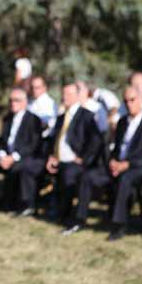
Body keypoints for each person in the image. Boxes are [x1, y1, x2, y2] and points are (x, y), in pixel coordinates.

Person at [63, 87, 142, 240]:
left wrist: (128, 164)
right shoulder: (122, 122)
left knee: (125, 179)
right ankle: (79, 219)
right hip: (117, 166)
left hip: (140, 168)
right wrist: (112, 161)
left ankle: (118, 225)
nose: (129, 104)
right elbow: (116, 147)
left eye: (132, 100)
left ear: (140, 100)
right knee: (88, 176)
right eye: (126, 101)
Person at [45, 82, 103, 226]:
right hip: (59, 159)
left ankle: (67, 214)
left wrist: (83, 158)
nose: (64, 97)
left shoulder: (87, 116)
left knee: (68, 173)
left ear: (78, 96)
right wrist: (51, 156)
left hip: (75, 162)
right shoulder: (61, 117)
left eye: (69, 94)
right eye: (63, 94)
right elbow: (54, 140)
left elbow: (96, 141)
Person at [0, 88, 44, 215]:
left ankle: (24, 204)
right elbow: (3, 142)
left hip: (23, 158)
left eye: (17, 100)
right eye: (10, 100)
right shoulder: (7, 118)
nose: (12, 103)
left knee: (20, 168)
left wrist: (13, 157)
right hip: (6, 157)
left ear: (25, 102)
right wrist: (1, 156)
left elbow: (33, 145)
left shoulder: (33, 120)